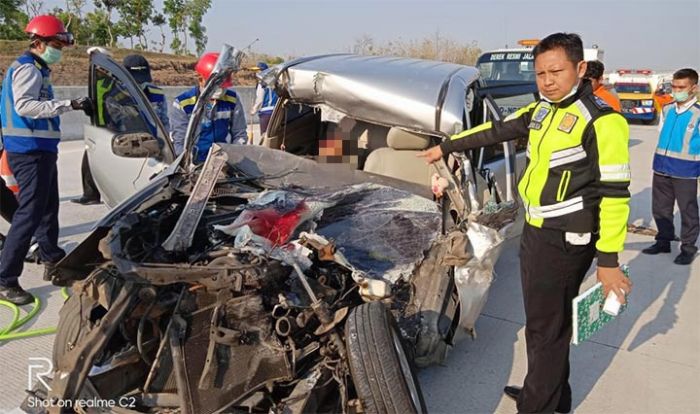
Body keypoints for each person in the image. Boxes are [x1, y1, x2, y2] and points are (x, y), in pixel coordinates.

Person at [418, 33, 632, 413]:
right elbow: (495, 130)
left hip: (567, 238)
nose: (547, 80)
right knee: (546, 324)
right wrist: (447, 146)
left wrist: (609, 262)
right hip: (537, 231)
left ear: (580, 69)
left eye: (556, 71)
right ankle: (549, 395)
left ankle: (538, 405)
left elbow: (615, 196)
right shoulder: (541, 111)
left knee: (546, 329)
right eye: (540, 73)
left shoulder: (602, 121)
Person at [0, 15, 91, 305]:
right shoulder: (27, 69)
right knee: (28, 214)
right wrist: (70, 104)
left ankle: (52, 258)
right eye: (55, 44)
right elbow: (25, 105)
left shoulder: (39, 68)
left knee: (48, 208)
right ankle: (5, 278)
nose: (58, 50)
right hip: (28, 151)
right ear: (38, 43)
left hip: (41, 149)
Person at [73, 53, 170, 205]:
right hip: (122, 135)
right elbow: (114, 117)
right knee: (91, 154)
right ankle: (91, 194)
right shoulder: (116, 92)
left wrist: (163, 141)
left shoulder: (155, 92)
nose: (140, 83)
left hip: (148, 136)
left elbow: (163, 119)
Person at [642, 68, 699, 265]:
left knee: (687, 210)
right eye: (674, 86)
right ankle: (663, 241)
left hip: (685, 170)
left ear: (693, 88)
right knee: (660, 208)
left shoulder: (697, 115)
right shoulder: (667, 109)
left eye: (681, 87)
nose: (676, 90)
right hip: (661, 166)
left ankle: (688, 247)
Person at [171, 52, 247, 163]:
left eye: (222, 85)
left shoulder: (232, 99)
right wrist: (188, 163)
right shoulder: (183, 104)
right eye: (216, 85)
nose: (220, 89)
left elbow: (240, 133)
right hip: (195, 163)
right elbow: (179, 142)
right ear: (200, 79)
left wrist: (235, 158)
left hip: (226, 162)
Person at [250, 61, 278, 140]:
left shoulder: (262, 84)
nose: (256, 73)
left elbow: (260, 99)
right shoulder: (274, 82)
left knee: (264, 137)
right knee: (273, 136)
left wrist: (254, 110)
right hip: (275, 111)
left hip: (265, 112)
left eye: (258, 71)